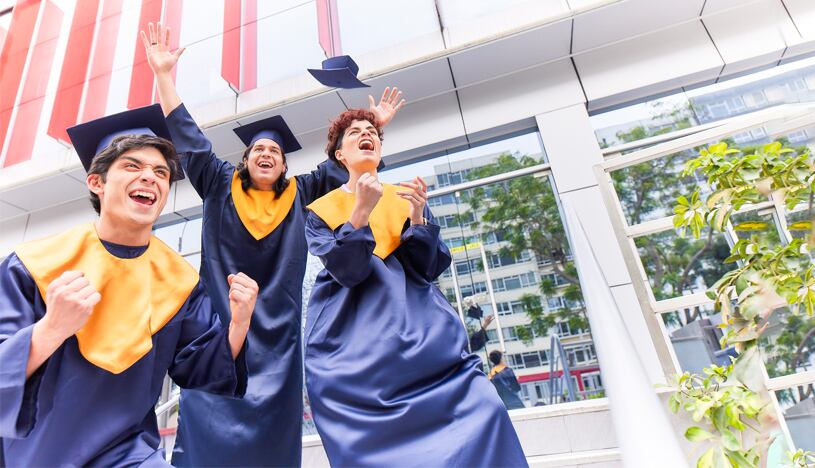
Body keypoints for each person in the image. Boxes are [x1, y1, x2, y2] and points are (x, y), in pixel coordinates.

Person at [140, 23, 405, 467]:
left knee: (273, 438)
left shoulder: (302, 193)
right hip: (220, 330)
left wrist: (373, 123)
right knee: (206, 422)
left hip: (279, 340)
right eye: (258, 150)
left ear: (284, 164)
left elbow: (347, 158)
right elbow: (188, 138)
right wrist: (164, 75)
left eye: (275, 152)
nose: (266, 153)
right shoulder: (220, 184)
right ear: (245, 160)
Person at [0, 104, 257, 467]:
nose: (150, 177)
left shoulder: (178, 281)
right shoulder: (34, 266)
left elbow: (201, 367)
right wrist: (51, 328)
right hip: (37, 450)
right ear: (96, 182)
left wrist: (239, 324)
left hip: (130, 451)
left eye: (161, 172)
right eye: (132, 167)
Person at [303, 108, 529, 467]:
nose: (367, 134)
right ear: (339, 155)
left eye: (373, 132)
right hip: (356, 346)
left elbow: (428, 269)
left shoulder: (405, 197)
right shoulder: (321, 211)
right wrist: (360, 212)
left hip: (425, 337)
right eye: (355, 132)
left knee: (486, 410)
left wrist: (419, 218)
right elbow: (348, 271)